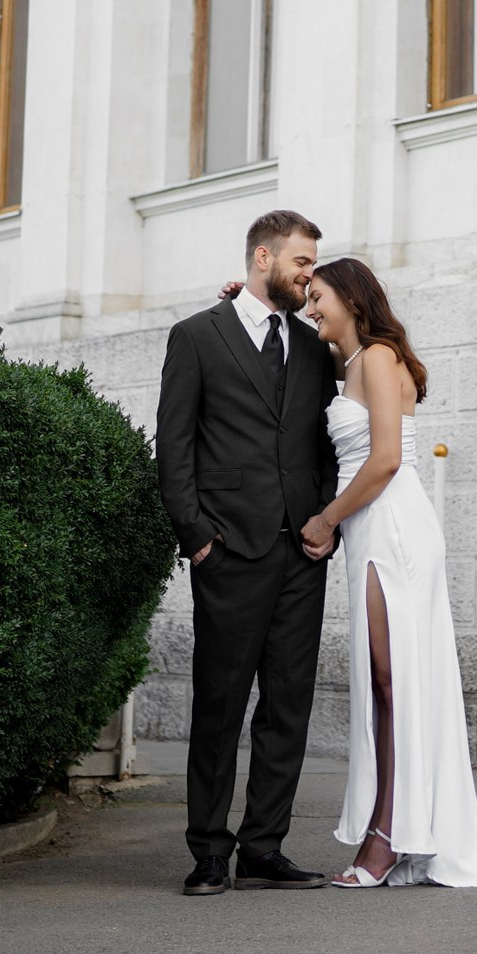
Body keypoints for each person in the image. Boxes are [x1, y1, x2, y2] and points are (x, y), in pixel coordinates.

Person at [298, 257, 477, 889]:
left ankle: (389, 836)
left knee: (393, 681)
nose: (311, 308)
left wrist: (327, 519)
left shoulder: (379, 357)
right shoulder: (347, 362)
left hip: (392, 524)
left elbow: (386, 458)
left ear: (351, 299)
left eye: (319, 296)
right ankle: (395, 826)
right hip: (369, 527)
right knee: (386, 682)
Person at [153, 208, 340, 895]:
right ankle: (208, 852)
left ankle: (264, 846)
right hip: (229, 550)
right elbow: (174, 447)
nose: (309, 275)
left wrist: (327, 521)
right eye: (301, 262)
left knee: (288, 705)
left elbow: (323, 445)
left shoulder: (313, 348)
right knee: (220, 704)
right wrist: (197, 537)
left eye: (312, 264)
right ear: (264, 257)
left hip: (302, 553)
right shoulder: (197, 336)